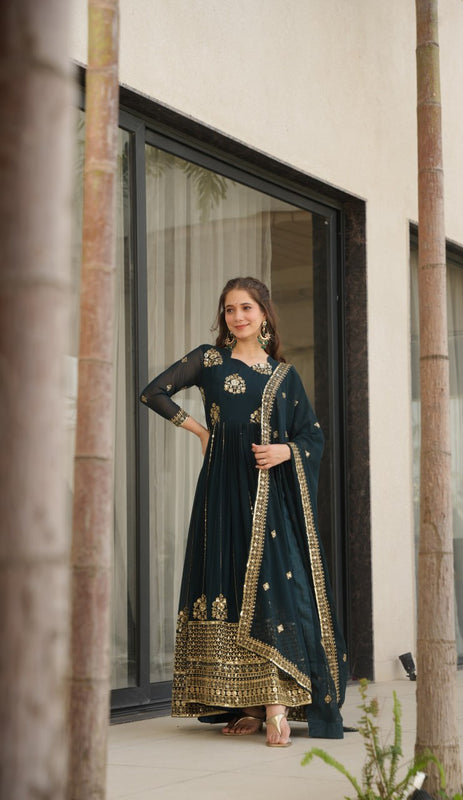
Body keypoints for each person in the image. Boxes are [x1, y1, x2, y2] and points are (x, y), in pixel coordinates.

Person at [140, 276, 347, 747]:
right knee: (229, 582)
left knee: (276, 585)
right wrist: (198, 430)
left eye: (246, 308)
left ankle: (276, 702)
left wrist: (286, 452)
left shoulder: (284, 375)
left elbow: (312, 436)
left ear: (264, 314)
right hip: (219, 488)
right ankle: (248, 704)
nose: (237, 316)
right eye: (230, 309)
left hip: (267, 491)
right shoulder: (209, 360)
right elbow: (153, 392)